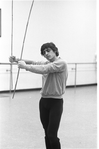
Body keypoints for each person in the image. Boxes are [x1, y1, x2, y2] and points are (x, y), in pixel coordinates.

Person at [9, 42, 68, 149]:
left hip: (56, 102)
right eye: (44, 52)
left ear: (55, 50)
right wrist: (17, 59)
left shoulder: (61, 63)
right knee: (46, 133)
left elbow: (45, 69)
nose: (46, 53)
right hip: (44, 102)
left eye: (48, 50)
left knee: (52, 134)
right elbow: (34, 62)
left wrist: (25, 67)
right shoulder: (46, 62)